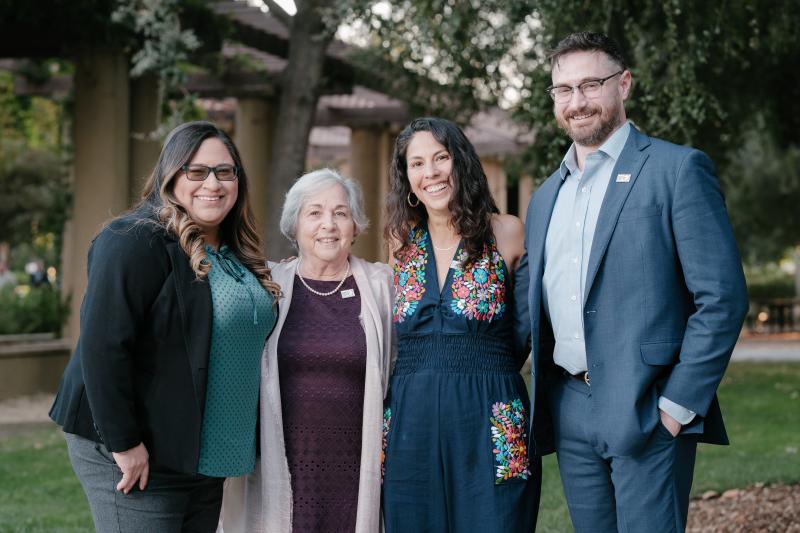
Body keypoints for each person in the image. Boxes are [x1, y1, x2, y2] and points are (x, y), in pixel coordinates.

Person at [514, 32, 749, 532]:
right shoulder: (544, 198)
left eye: (590, 85)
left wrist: (676, 406)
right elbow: (527, 312)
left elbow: (722, 299)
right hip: (571, 412)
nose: (577, 102)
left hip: (649, 411)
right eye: (563, 90)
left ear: (624, 84)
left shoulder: (676, 170)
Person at [49, 121, 280, 533]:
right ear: (170, 176)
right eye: (197, 171)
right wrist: (125, 443)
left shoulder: (232, 252)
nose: (213, 182)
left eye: (225, 171)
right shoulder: (134, 241)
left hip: (203, 453)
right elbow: (103, 348)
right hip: (138, 447)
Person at [382, 117, 539, 532]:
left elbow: (524, 329)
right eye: (416, 164)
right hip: (410, 417)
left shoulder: (506, 232)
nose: (430, 172)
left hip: (489, 407)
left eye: (440, 157)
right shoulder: (400, 241)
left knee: (498, 519)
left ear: (461, 162)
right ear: (407, 177)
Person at [223, 168, 394, 532]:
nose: (328, 224)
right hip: (286, 459)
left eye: (340, 213)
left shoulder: (381, 287)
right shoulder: (268, 286)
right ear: (295, 224)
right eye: (314, 213)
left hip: (356, 464)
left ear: (356, 225)